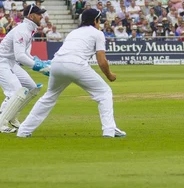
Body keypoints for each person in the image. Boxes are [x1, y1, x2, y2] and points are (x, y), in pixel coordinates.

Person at [17, 9, 126, 138]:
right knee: (104, 93)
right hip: (76, 65)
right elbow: (102, 61)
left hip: (57, 64)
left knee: (49, 97)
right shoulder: (98, 34)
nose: (99, 24)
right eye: (99, 21)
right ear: (95, 20)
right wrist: (110, 75)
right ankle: (109, 130)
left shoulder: (74, 32)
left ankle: (23, 131)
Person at [0, 5, 51, 133]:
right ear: (31, 16)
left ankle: (11, 116)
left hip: (10, 62)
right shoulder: (22, 30)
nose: (41, 16)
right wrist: (38, 67)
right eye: (39, 14)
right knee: (15, 91)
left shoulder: (29, 30)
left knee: (32, 88)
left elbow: (25, 54)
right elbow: (20, 56)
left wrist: (40, 63)